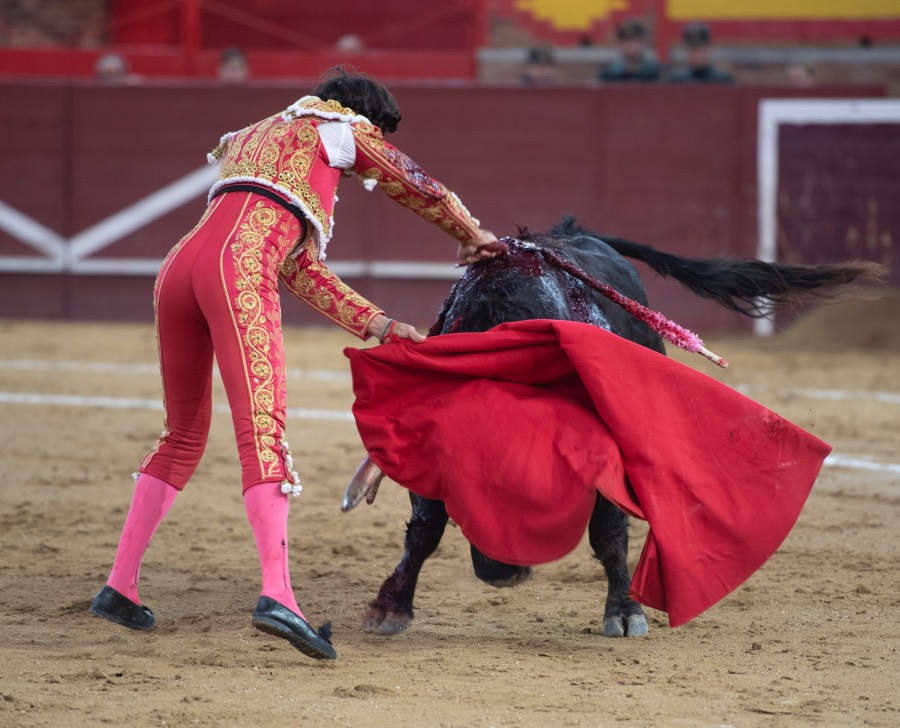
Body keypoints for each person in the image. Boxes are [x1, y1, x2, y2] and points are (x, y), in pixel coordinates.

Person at [89, 67, 500, 660]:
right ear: (364, 118)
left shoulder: (254, 135)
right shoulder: (341, 129)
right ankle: (278, 595)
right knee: (263, 433)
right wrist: (470, 232)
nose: (363, 164)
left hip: (179, 270)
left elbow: (298, 266)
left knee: (181, 435)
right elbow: (414, 183)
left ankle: (119, 588)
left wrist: (380, 326)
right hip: (237, 269)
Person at [598, 18, 660, 82]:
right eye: (626, 41)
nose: (630, 46)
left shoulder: (654, 73)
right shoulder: (609, 74)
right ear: (619, 44)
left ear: (643, 42)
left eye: (634, 41)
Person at [668, 22, 733, 84]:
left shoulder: (723, 81)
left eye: (700, 50)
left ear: (709, 49)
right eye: (692, 50)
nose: (696, 55)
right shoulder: (677, 81)